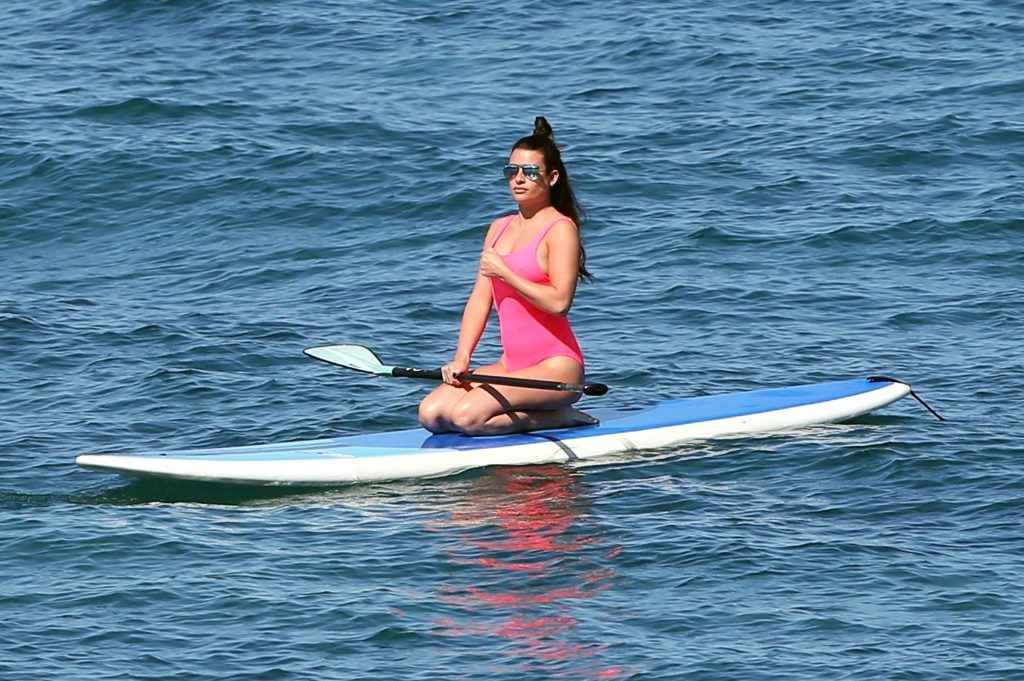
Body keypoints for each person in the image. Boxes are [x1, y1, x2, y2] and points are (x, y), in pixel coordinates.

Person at [418, 116, 596, 436]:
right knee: (432, 415)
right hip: (511, 365)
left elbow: (559, 303)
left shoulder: (560, 229)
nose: (518, 179)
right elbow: (480, 298)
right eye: (511, 171)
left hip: (557, 369)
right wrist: (461, 358)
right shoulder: (499, 228)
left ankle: (561, 415)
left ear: (552, 177)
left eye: (529, 172)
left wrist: (506, 272)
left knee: (468, 418)